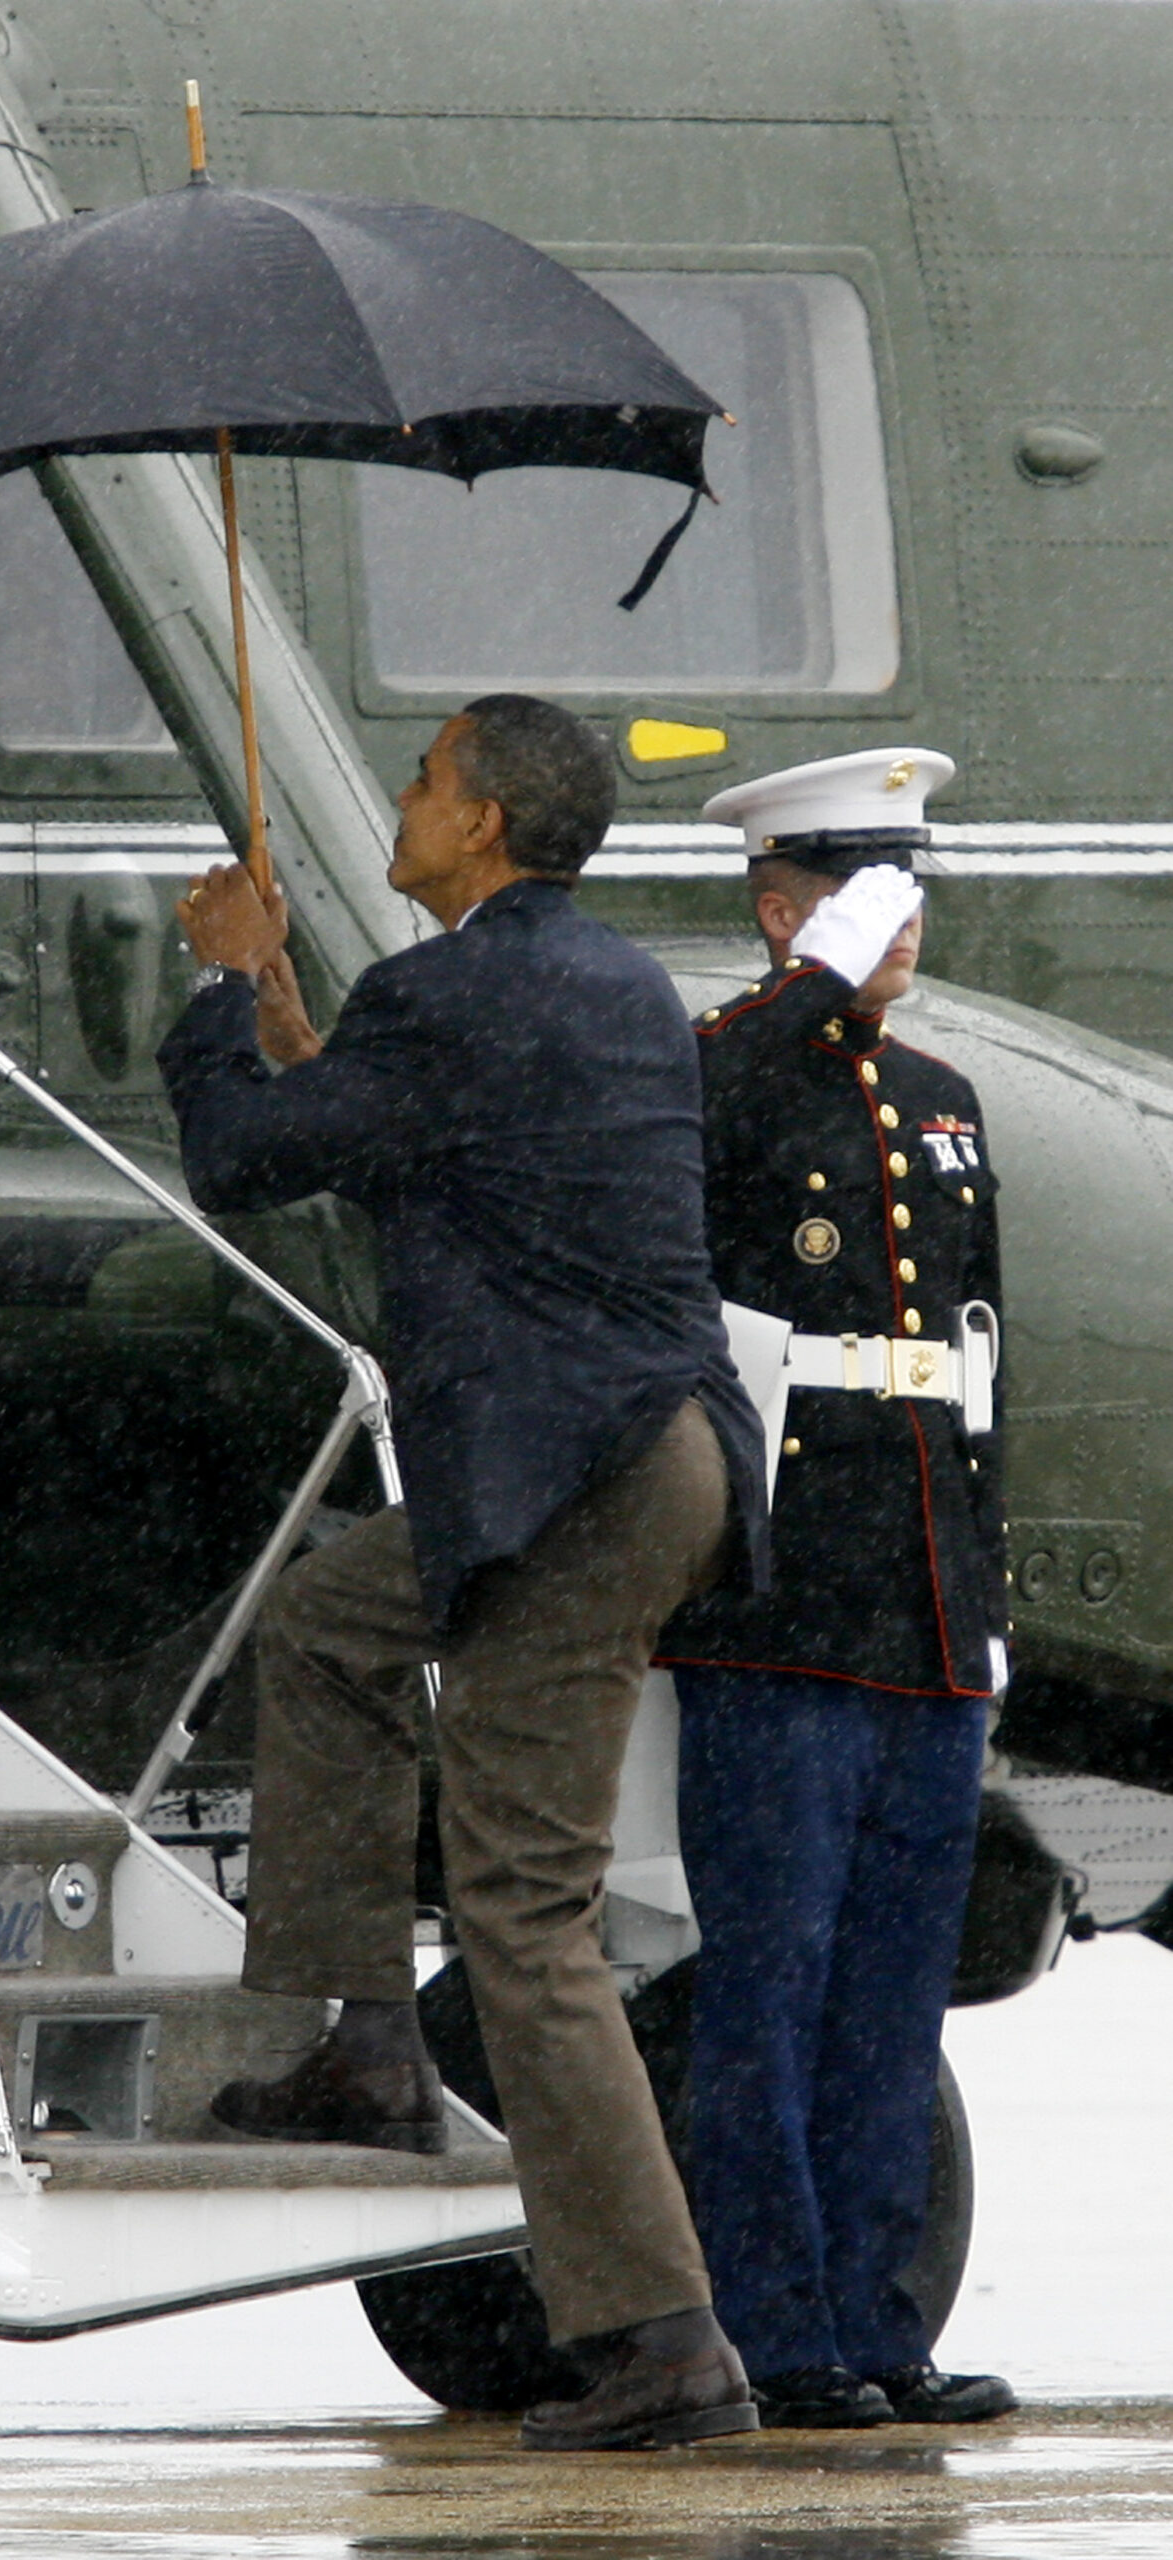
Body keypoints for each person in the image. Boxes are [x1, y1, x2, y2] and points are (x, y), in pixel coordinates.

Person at [158, 695, 770, 2454]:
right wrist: (296, 1021)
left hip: (569, 1484)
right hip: (643, 1452)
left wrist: (222, 987)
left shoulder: (453, 993)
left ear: (486, 823)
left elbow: (245, 1163)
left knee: (526, 1916)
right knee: (329, 1623)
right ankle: (369, 2041)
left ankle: (667, 2343)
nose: (405, 801)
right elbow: (409, 1142)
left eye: (427, 781)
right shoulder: (604, 981)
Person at [659, 749, 1016, 2429]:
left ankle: (883, 2325)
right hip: (788, 1593)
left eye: (912, 887)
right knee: (773, 1987)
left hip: (927, 1597)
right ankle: (778, 2331)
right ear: (780, 905)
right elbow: (678, 1131)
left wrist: (989, 1595)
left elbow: (980, 1360)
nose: (903, 921)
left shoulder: (941, 1094)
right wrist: (804, 987)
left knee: (892, 1995)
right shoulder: (727, 1070)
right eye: (868, 890)